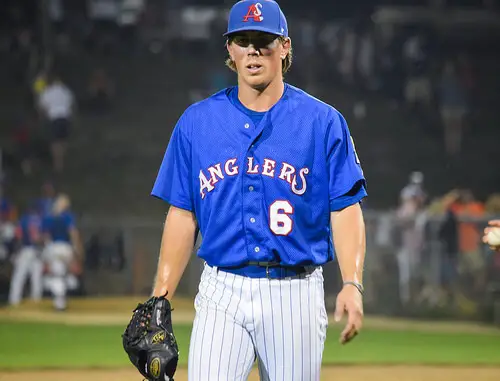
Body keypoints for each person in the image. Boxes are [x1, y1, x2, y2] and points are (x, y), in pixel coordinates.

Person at [149, 1, 367, 380]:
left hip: (294, 292)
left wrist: (351, 282)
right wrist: (160, 297)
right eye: (243, 40)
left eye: (263, 40)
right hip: (222, 288)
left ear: (284, 47)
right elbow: (183, 215)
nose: (253, 50)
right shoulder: (197, 123)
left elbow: (345, 207)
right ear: (230, 51)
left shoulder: (322, 122)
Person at [41, 194, 83, 310]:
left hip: (53, 247)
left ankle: (59, 302)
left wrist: (46, 250)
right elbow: (73, 232)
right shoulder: (67, 217)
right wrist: (77, 248)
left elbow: (45, 236)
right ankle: (61, 300)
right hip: (65, 247)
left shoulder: (50, 217)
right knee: (62, 275)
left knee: (57, 275)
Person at [8, 203, 44, 306]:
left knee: (19, 276)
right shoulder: (39, 221)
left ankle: (14, 300)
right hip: (36, 251)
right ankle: (36, 301)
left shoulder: (23, 220)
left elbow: (18, 236)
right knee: (36, 277)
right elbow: (37, 237)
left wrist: (15, 251)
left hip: (25, 250)